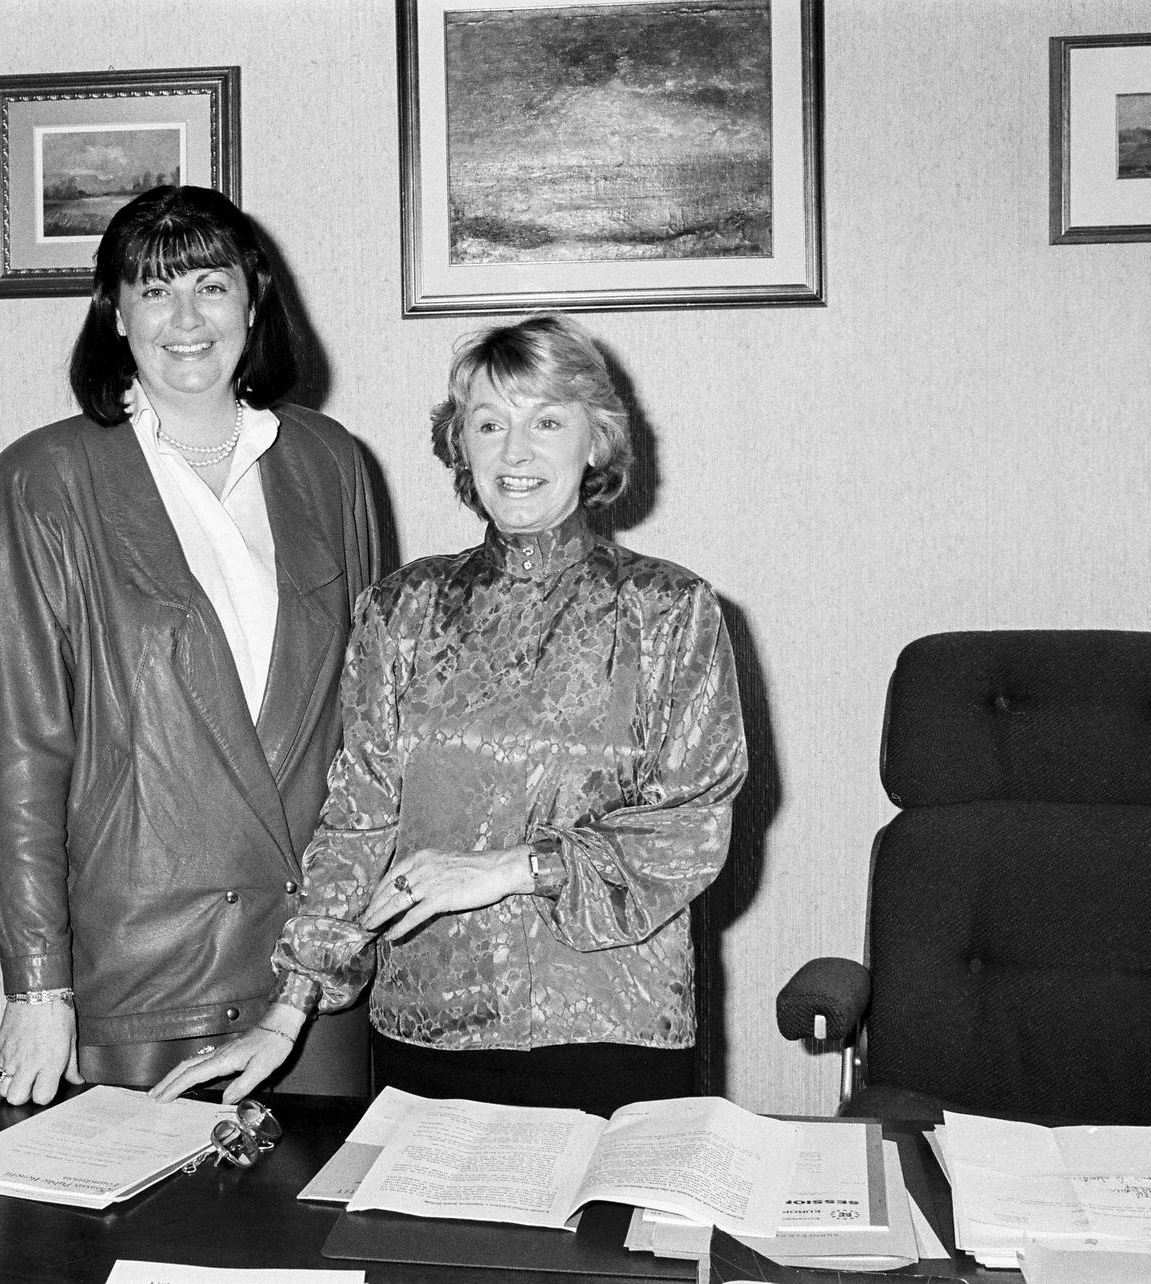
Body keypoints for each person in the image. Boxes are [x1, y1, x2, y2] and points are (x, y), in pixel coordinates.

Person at [154, 314, 746, 1116]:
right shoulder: (403, 610)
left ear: (596, 441)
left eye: (547, 421)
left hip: (614, 1030)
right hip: (428, 1030)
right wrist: (290, 1004)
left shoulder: (672, 612)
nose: (516, 452)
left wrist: (510, 868)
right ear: (460, 446)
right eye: (490, 424)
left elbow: (693, 824)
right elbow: (359, 819)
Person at [0, 186, 382, 1106]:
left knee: (316, 1242)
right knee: (135, 1245)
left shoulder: (330, 462)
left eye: (210, 285)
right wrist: (38, 979)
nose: (186, 317)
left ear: (253, 301)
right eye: (153, 291)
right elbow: (15, 755)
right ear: (114, 313)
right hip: (142, 968)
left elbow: (371, 729)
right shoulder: (43, 480)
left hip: (307, 973)